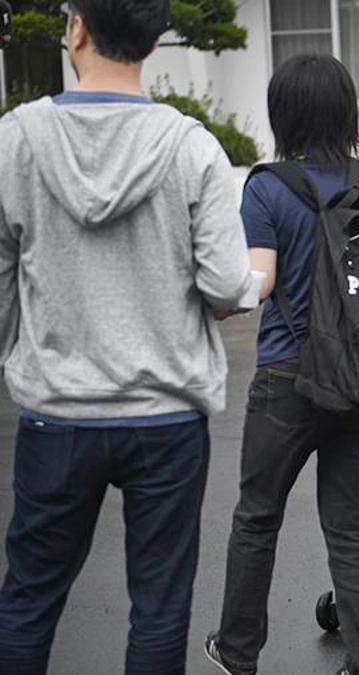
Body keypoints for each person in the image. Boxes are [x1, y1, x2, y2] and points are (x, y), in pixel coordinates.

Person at [0, 1, 254, 672]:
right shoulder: (191, 145)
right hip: (166, 417)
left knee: (27, 599)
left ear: (76, 29)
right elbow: (228, 288)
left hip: (55, 411)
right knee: (160, 606)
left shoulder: (16, 139)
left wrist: (19, 356)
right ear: (154, 40)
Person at [204, 54, 359, 675]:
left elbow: (258, 282)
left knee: (257, 517)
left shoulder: (267, 187)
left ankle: (238, 654)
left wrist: (206, 304)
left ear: (284, 114)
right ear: (345, 111)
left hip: (288, 379)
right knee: (350, 527)